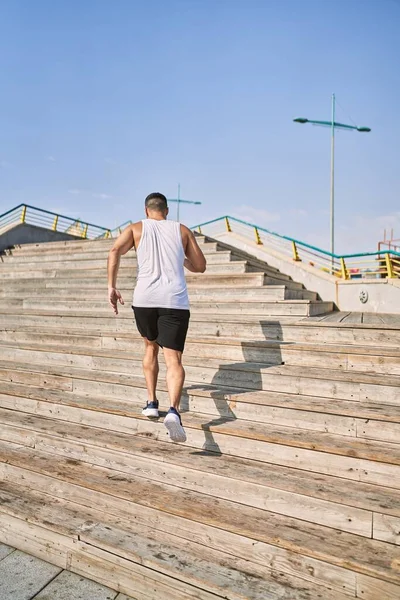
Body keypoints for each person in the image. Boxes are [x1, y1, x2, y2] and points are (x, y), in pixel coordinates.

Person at [107, 192, 206, 443]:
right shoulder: (182, 230)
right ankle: (173, 411)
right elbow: (200, 265)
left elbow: (114, 250)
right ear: (167, 211)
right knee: (173, 358)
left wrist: (112, 286)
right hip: (174, 301)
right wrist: (181, 259)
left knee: (149, 348)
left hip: (145, 300)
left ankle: (151, 402)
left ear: (146, 210)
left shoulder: (136, 228)